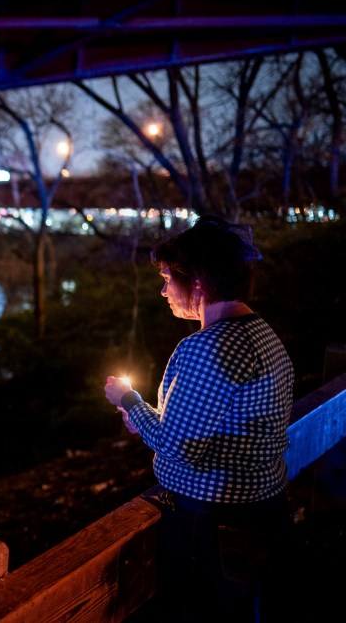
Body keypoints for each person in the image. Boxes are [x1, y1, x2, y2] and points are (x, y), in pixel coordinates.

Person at [103, 215, 294, 622]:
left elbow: (179, 446)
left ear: (199, 283)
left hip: (211, 522)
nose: (163, 290)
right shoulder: (264, 335)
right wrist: (149, 422)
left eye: (169, 278)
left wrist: (129, 399)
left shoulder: (206, 348)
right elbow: (209, 426)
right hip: (263, 510)